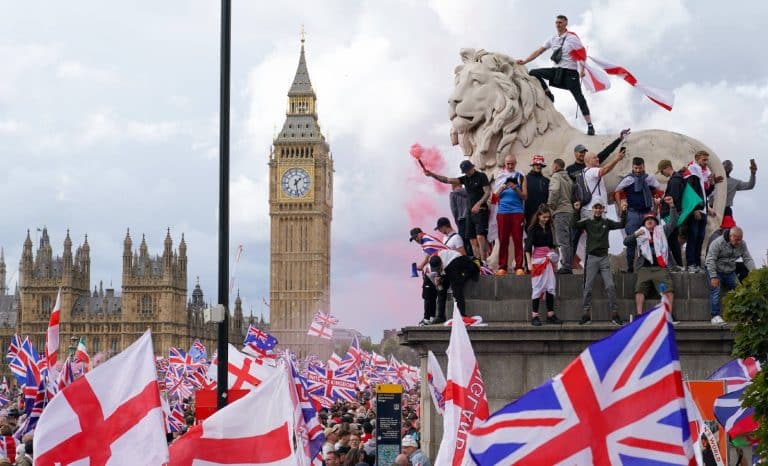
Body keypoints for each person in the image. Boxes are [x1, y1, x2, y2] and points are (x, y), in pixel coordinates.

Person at [517, 15, 594, 135]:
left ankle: (590, 125)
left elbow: (582, 55)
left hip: (570, 73)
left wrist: (582, 70)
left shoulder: (572, 38)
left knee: (579, 98)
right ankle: (548, 92)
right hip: (557, 71)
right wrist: (525, 61)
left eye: (560, 22)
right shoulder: (552, 38)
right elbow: (539, 51)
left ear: (565, 24)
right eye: (556, 22)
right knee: (533, 73)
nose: (558, 25)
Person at [574, 200, 628, 325]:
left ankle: (615, 314)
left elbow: (622, 224)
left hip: (604, 257)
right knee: (587, 287)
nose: (598, 210)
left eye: (600, 208)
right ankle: (586, 314)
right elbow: (574, 225)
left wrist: (624, 211)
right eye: (596, 207)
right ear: (593, 209)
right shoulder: (587, 222)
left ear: (603, 209)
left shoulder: (607, 222)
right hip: (592, 258)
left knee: (610, 286)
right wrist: (576, 211)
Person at [623, 197, 679, 318]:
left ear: (656, 222)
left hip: (660, 267)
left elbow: (673, 222)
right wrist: (636, 234)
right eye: (647, 219)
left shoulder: (662, 230)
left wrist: (672, 206)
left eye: (652, 219)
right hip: (644, 268)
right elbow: (626, 242)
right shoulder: (640, 232)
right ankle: (639, 314)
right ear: (644, 223)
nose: (649, 221)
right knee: (639, 289)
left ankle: (668, 314)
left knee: (668, 289)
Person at [425, 160, 491, 260]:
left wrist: (478, 204)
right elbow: (447, 180)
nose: (467, 173)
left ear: (472, 167)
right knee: (472, 240)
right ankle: (479, 263)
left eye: (468, 170)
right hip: (469, 212)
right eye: (465, 172)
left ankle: (484, 260)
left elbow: (487, 192)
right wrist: (432, 175)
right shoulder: (465, 179)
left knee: (480, 237)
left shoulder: (481, 176)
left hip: (481, 209)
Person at [614, 156, 664, 272]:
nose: (637, 170)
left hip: (647, 213)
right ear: (632, 167)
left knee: (648, 240)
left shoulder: (650, 178)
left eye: (640, 168)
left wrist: (655, 209)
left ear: (644, 167)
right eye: (635, 168)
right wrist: (620, 208)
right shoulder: (628, 179)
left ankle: (646, 266)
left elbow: (658, 192)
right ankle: (630, 268)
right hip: (632, 213)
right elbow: (617, 191)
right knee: (631, 240)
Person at [705, 226, 755, 324]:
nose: (738, 242)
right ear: (731, 236)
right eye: (736, 240)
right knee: (715, 290)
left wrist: (754, 272)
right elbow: (710, 260)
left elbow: (747, 259)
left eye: (740, 240)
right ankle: (715, 316)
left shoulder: (742, 244)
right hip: (715, 269)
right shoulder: (718, 243)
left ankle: (743, 314)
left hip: (730, 271)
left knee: (740, 290)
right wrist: (713, 276)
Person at [683, 150, 723, 273]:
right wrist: (694, 209)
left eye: (707, 160)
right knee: (693, 236)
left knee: (700, 237)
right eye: (703, 160)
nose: (706, 163)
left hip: (704, 209)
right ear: (697, 159)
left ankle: (697, 264)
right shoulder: (692, 171)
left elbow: (705, 193)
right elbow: (689, 192)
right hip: (696, 210)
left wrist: (712, 183)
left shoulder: (704, 173)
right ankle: (690, 264)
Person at [525, 205, 562, 326]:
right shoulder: (533, 228)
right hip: (537, 261)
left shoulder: (549, 228)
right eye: (544, 217)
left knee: (550, 287)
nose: (546, 219)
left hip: (548, 259)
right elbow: (528, 248)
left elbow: (551, 245)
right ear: (539, 216)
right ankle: (534, 315)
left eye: (548, 217)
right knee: (537, 287)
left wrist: (554, 262)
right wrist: (529, 263)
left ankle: (550, 314)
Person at [493, 155, 527, 275]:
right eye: (508, 164)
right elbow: (494, 198)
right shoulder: (499, 176)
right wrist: (502, 188)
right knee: (503, 239)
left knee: (518, 239)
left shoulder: (521, 176)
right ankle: (502, 266)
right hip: (503, 212)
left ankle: (519, 267)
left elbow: (525, 196)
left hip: (517, 211)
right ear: (505, 164)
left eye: (512, 163)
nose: (510, 166)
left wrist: (515, 188)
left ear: (515, 163)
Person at [410, 227, 451, 326]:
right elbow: (429, 255)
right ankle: (431, 316)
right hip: (439, 270)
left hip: (439, 271)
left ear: (420, 234)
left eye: (416, 238)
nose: (416, 240)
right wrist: (422, 265)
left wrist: (433, 272)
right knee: (432, 294)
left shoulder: (427, 241)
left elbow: (433, 256)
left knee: (428, 294)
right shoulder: (427, 241)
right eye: (414, 239)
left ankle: (428, 317)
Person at [428, 249, 480, 318]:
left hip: (457, 260)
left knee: (456, 287)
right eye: (435, 270)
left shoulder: (447, 263)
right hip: (447, 267)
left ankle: (461, 314)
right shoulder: (430, 266)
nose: (437, 271)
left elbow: (447, 274)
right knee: (441, 291)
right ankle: (440, 316)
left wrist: (441, 278)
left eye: (438, 269)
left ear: (441, 264)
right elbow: (439, 285)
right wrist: (438, 284)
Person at [547, 158, 575, 273]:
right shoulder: (569, 178)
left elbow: (554, 191)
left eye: (552, 166)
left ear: (556, 167)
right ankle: (569, 265)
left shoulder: (556, 176)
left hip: (560, 212)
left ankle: (565, 266)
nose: (551, 168)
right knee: (569, 241)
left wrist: (551, 205)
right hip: (570, 212)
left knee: (562, 240)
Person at [657, 159, 686, 269]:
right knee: (672, 240)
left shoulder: (674, 180)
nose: (661, 174)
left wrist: (660, 201)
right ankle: (677, 264)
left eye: (661, 171)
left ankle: (677, 264)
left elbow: (673, 197)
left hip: (670, 214)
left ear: (666, 168)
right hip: (674, 213)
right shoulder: (678, 178)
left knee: (671, 240)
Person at [524, 155, 550, 226]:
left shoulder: (546, 180)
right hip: (529, 212)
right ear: (533, 165)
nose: (538, 166)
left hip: (543, 213)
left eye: (540, 164)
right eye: (536, 164)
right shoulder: (525, 179)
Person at [449, 185, 473, 256]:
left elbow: (454, 210)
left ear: (453, 186)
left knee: (464, 242)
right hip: (471, 219)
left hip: (462, 221)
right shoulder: (468, 191)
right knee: (472, 240)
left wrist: (457, 222)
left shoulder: (453, 194)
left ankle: (468, 258)